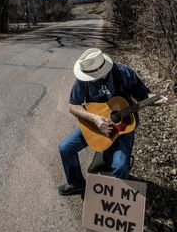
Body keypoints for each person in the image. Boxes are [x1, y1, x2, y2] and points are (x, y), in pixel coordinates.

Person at [58, 48, 168, 195]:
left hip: (123, 128)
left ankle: (115, 197)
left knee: (120, 167)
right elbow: (73, 106)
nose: (91, 79)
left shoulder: (124, 73)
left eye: (94, 75)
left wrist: (160, 99)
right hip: (94, 126)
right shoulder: (85, 78)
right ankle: (76, 183)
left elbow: (144, 96)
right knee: (65, 148)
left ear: (103, 68)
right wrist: (95, 118)